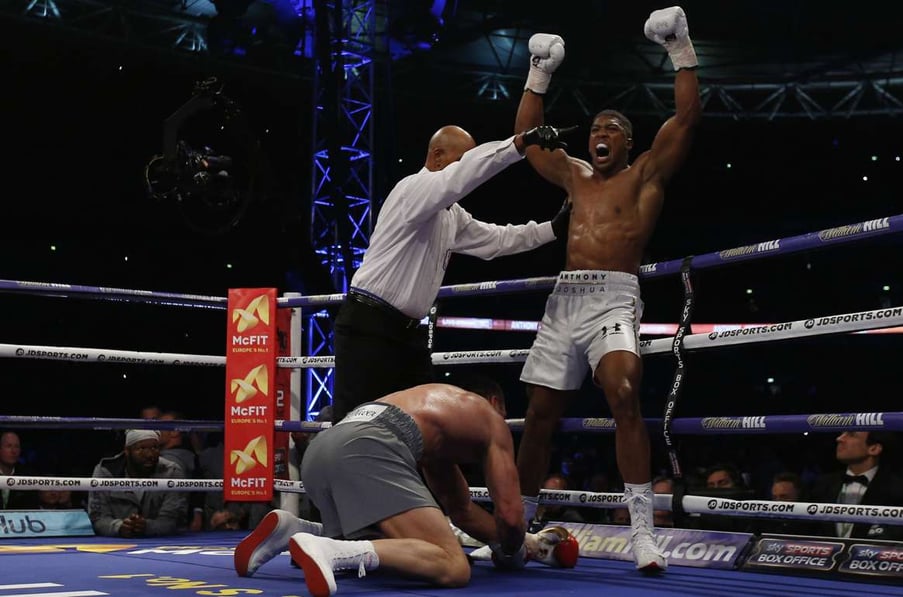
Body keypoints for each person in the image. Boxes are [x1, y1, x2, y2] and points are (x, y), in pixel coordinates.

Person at [512, 5, 701, 573]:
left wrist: (680, 49)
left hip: (615, 296)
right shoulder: (573, 173)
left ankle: (644, 532)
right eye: (594, 128)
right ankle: (517, 529)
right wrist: (538, 75)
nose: (599, 134)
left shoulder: (645, 175)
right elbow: (526, 140)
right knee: (539, 415)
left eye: (611, 130)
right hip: (564, 297)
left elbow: (687, 120)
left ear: (627, 141)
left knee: (623, 392)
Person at [234, 384, 578, 597]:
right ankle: (328, 549)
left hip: (324, 449)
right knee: (452, 567)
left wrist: (530, 545)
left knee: (396, 550)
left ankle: (294, 531)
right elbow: (510, 515)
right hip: (366, 448)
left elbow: (460, 511)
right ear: (494, 401)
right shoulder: (491, 420)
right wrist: (515, 552)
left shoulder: (436, 422)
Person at [330, 124, 574, 424]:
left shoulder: (451, 214)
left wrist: (551, 229)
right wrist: (520, 143)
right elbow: (463, 176)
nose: (468, 171)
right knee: (354, 429)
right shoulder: (412, 190)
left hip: (408, 336)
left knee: (419, 430)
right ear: (436, 157)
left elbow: (495, 240)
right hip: (368, 328)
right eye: (462, 160)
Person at [808, 431, 903, 541]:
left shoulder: (901, 491)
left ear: (874, 449)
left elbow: (896, 537)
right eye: (842, 433)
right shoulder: (821, 484)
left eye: (851, 435)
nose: (839, 438)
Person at [87, 429, 188, 537]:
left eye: (154, 447)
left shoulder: (171, 472)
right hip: (116, 542)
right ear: (127, 450)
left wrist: (147, 526)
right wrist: (119, 527)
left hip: (160, 541)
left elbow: (174, 519)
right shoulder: (105, 471)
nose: (149, 454)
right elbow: (97, 517)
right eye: (142, 448)